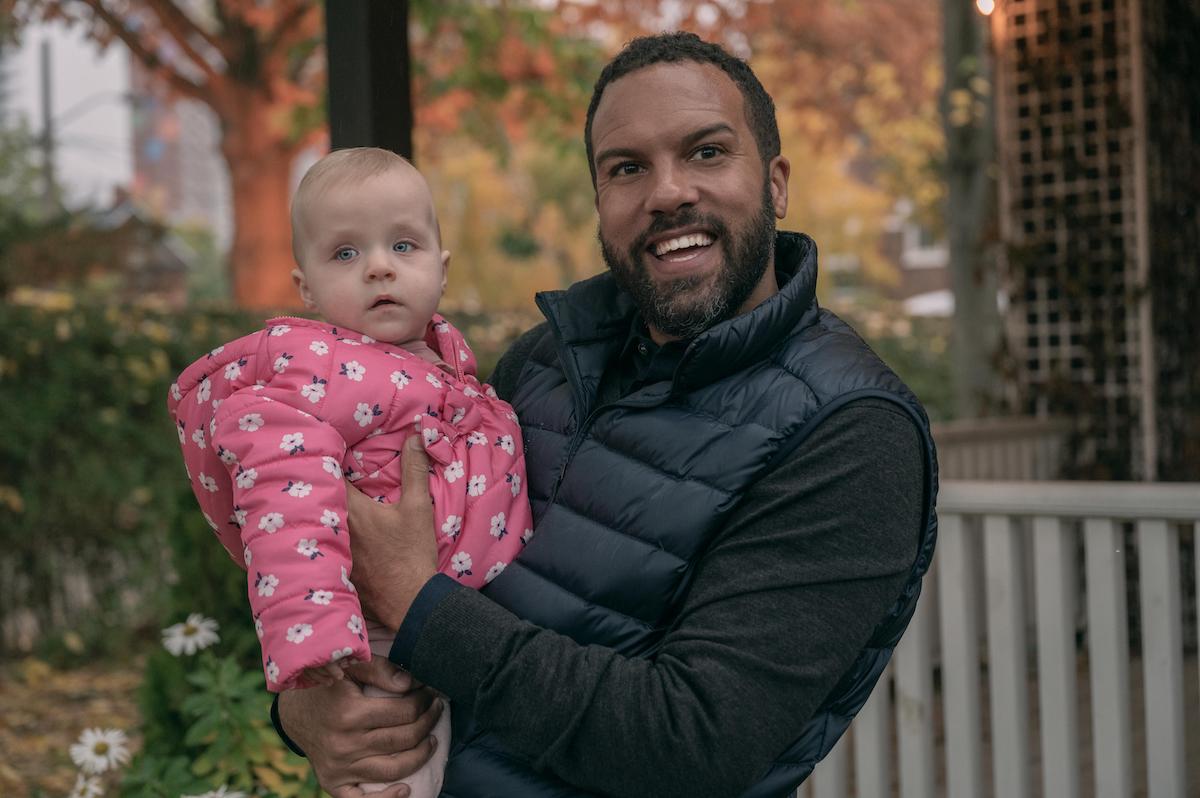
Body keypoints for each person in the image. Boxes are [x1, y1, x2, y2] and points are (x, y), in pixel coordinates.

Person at [276, 32, 938, 798]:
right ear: (600, 200)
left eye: (707, 153)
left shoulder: (853, 430)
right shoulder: (540, 363)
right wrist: (304, 709)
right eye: (627, 168)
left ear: (778, 183)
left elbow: (692, 743)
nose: (666, 193)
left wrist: (417, 601)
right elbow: (359, 547)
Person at [169, 147, 536, 797]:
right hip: (374, 643)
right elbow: (287, 505)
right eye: (345, 254)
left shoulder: (449, 369)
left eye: (403, 245)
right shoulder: (311, 379)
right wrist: (319, 649)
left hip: (466, 625)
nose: (378, 268)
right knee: (395, 771)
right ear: (304, 287)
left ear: (441, 268)